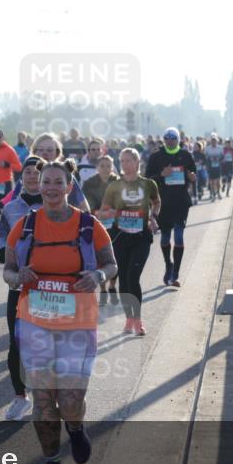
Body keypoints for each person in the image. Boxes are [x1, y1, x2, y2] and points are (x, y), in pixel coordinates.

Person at [4, 159, 117, 464]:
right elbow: (8, 271)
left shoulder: (88, 225)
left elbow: (111, 264)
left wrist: (96, 274)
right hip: (34, 321)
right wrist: (18, 276)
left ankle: (76, 426)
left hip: (77, 323)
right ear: (39, 186)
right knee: (42, 398)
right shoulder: (24, 226)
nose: (51, 188)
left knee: (69, 399)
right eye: (46, 182)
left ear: (69, 187)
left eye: (58, 182)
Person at [0, 155, 44, 421]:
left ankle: (44, 395)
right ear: (22, 177)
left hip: (50, 287)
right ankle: (19, 396)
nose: (32, 177)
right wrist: (4, 251)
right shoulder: (11, 208)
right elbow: (0, 232)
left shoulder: (58, 207)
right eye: (27, 173)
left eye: (37, 173)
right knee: (16, 342)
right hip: (19, 285)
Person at [99, 149, 161, 335]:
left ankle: (138, 321)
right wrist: (107, 213)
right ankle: (129, 319)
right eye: (122, 161)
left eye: (128, 160)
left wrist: (154, 217)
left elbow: (156, 202)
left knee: (133, 277)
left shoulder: (148, 184)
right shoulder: (114, 186)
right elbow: (103, 210)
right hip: (121, 236)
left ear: (136, 161)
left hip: (141, 237)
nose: (124, 164)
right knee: (124, 281)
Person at [145, 128, 196, 288]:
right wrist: (162, 174)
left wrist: (192, 177)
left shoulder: (186, 155)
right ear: (164, 139)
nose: (170, 140)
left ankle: (175, 275)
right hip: (163, 203)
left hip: (181, 202)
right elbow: (147, 179)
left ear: (178, 139)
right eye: (167, 138)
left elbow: (192, 174)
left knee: (179, 237)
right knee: (165, 238)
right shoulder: (156, 156)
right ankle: (169, 265)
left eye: (173, 138)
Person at [3, 134, 90, 211]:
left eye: (50, 150)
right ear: (34, 152)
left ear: (57, 153)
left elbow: (84, 208)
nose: (45, 153)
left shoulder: (66, 176)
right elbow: (12, 208)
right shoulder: (27, 176)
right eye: (40, 150)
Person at [81, 154, 120, 305]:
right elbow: (86, 204)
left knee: (116, 257)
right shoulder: (90, 183)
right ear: (97, 167)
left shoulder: (118, 182)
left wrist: (116, 211)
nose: (105, 169)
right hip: (97, 223)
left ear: (112, 167)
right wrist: (98, 213)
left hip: (116, 224)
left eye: (108, 166)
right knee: (101, 258)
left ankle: (112, 286)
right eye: (102, 166)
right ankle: (103, 288)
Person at [191, 140, 208, 204]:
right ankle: (195, 197)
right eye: (194, 146)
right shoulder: (192, 154)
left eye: (197, 146)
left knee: (201, 181)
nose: (195, 147)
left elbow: (205, 161)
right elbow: (190, 162)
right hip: (194, 171)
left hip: (201, 170)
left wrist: (202, 163)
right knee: (194, 183)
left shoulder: (202, 154)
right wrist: (195, 163)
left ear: (200, 147)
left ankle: (201, 191)